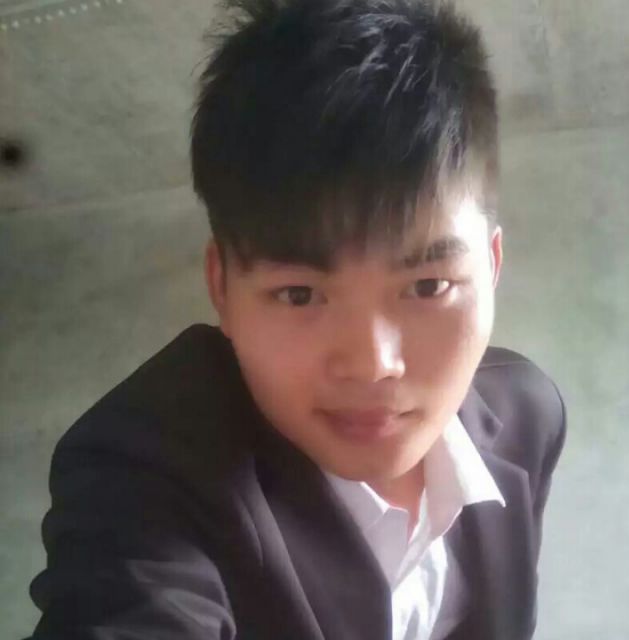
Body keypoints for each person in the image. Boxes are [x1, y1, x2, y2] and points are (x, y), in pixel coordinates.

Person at [27, 1, 567, 639]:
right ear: (221, 288)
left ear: (492, 265)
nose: (372, 364)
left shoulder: (528, 413)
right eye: (300, 294)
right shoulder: (144, 467)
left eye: (428, 286)